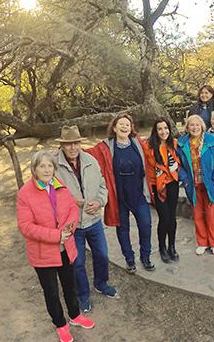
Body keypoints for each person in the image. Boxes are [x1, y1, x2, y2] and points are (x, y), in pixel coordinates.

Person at [18, 150, 95, 342]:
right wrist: (56, 236)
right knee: (51, 291)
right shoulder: (25, 193)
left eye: (50, 165)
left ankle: (75, 315)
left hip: (65, 248)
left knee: (70, 285)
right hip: (43, 254)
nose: (46, 169)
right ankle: (60, 324)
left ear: (54, 168)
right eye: (42, 166)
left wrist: (68, 229)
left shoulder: (60, 186)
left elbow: (72, 209)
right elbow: (26, 227)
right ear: (34, 169)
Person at [54, 126, 117, 313]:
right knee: (77, 263)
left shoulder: (91, 160)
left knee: (102, 255)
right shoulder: (54, 166)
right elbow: (49, 194)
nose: (73, 147)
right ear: (62, 146)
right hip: (72, 225)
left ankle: (101, 283)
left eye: (76, 143)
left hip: (93, 220)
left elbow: (102, 185)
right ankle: (83, 295)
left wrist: (99, 201)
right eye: (68, 144)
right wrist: (70, 201)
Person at [87, 114, 154, 274]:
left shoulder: (138, 143)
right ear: (114, 128)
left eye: (127, 125)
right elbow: (86, 153)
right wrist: (60, 153)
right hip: (118, 197)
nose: (124, 127)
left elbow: (156, 150)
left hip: (138, 195)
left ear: (131, 128)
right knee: (122, 229)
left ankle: (146, 257)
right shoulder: (105, 147)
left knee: (146, 225)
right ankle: (129, 259)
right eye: (121, 124)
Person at [177, 115, 214, 256]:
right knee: (198, 214)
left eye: (197, 125)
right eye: (191, 125)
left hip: (210, 185)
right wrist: (185, 179)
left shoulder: (212, 141)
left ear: (202, 126)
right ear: (187, 127)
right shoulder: (182, 144)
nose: (195, 128)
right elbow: (178, 165)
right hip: (193, 185)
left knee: (212, 214)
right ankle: (202, 242)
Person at [143, 118, 182, 264]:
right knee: (164, 217)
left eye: (165, 128)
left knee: (172, 217)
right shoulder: (149, 147)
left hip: (172, 183)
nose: (163, 131)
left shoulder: (175, 144)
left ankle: (172, 246)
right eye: (160, 129)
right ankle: (162, 247)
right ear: (155, 130)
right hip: (157, 185)